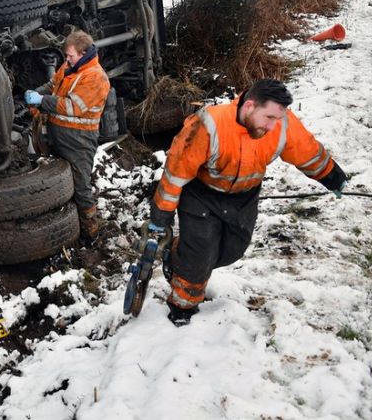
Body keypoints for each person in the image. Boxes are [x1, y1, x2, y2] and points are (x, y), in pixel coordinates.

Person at [149, 78, 347, 326]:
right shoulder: (209, 125)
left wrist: (334, 177)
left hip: (244, 198)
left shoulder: (280, 124)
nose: (273, 126)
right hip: (202, 195)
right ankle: (182, 307)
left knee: (232, 251)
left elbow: (308, 153)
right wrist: (161, 217)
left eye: (277, 119)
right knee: (199, 256)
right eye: (269, 118)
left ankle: (181, 253)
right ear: (250, 105)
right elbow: (176, 173)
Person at [25, 30, 110, 241]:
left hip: (79, 140)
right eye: (67, 56)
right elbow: (54, 84)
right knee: (58, 178)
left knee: (81, 187)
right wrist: (37, 93)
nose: (67, 59)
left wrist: (41, 101)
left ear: (83, 53)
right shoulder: (71, 65)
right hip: (58, 134)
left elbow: (72, 107)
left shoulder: (95, 78)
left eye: (70, 56)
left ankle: (91, 233)